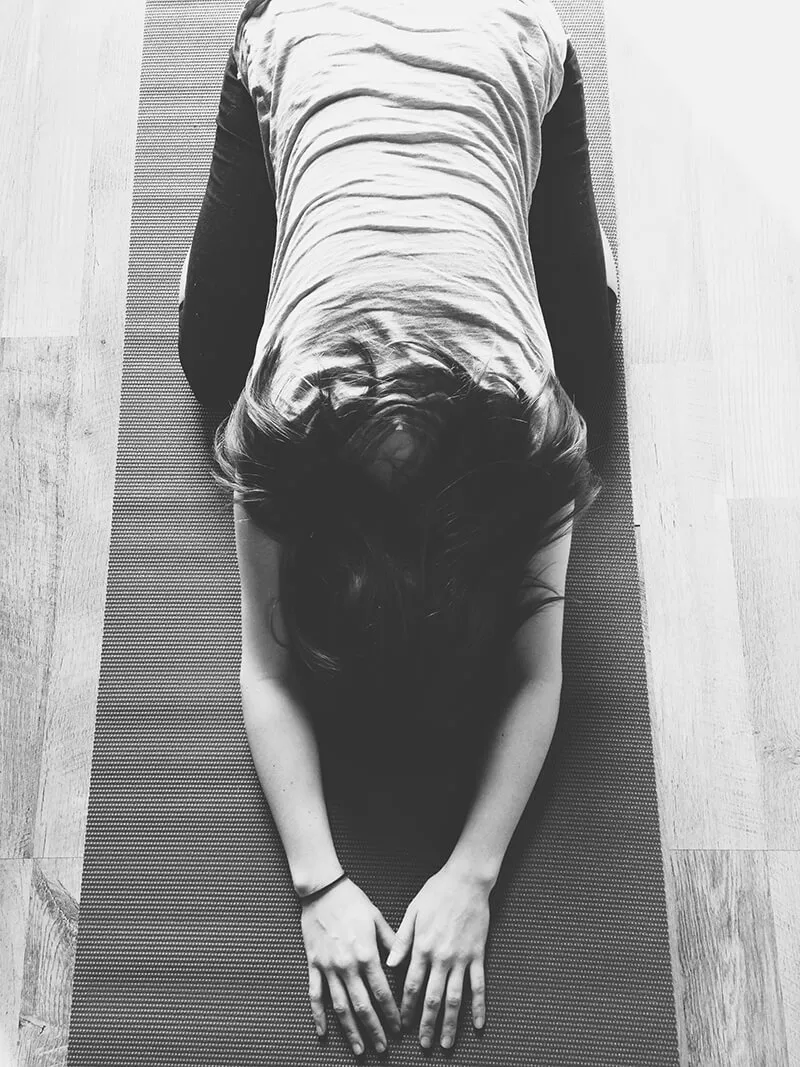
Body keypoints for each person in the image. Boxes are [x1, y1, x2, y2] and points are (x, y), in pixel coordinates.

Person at [178, 0, 617, 1056]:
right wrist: (315, 883)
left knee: (593, 372)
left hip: (489, 49)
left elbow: (533, 672)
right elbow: (269, 667)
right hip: (341, 38)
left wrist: (472, 871)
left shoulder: (531, 423)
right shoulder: (283, 413)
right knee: (210, 353)